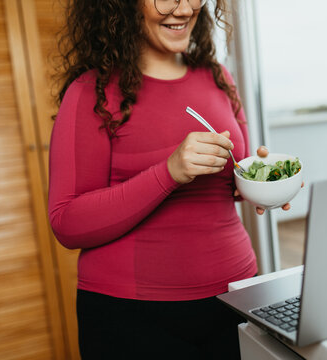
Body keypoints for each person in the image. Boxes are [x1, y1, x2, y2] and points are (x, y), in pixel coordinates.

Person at [48, 0, 291, 358]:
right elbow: (66, 222)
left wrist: (262, 182)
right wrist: (168, 172)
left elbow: (230, 179)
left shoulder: (219, 76)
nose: (182, 9)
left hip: (238, 296)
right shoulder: (92, 91)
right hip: (134, 319)